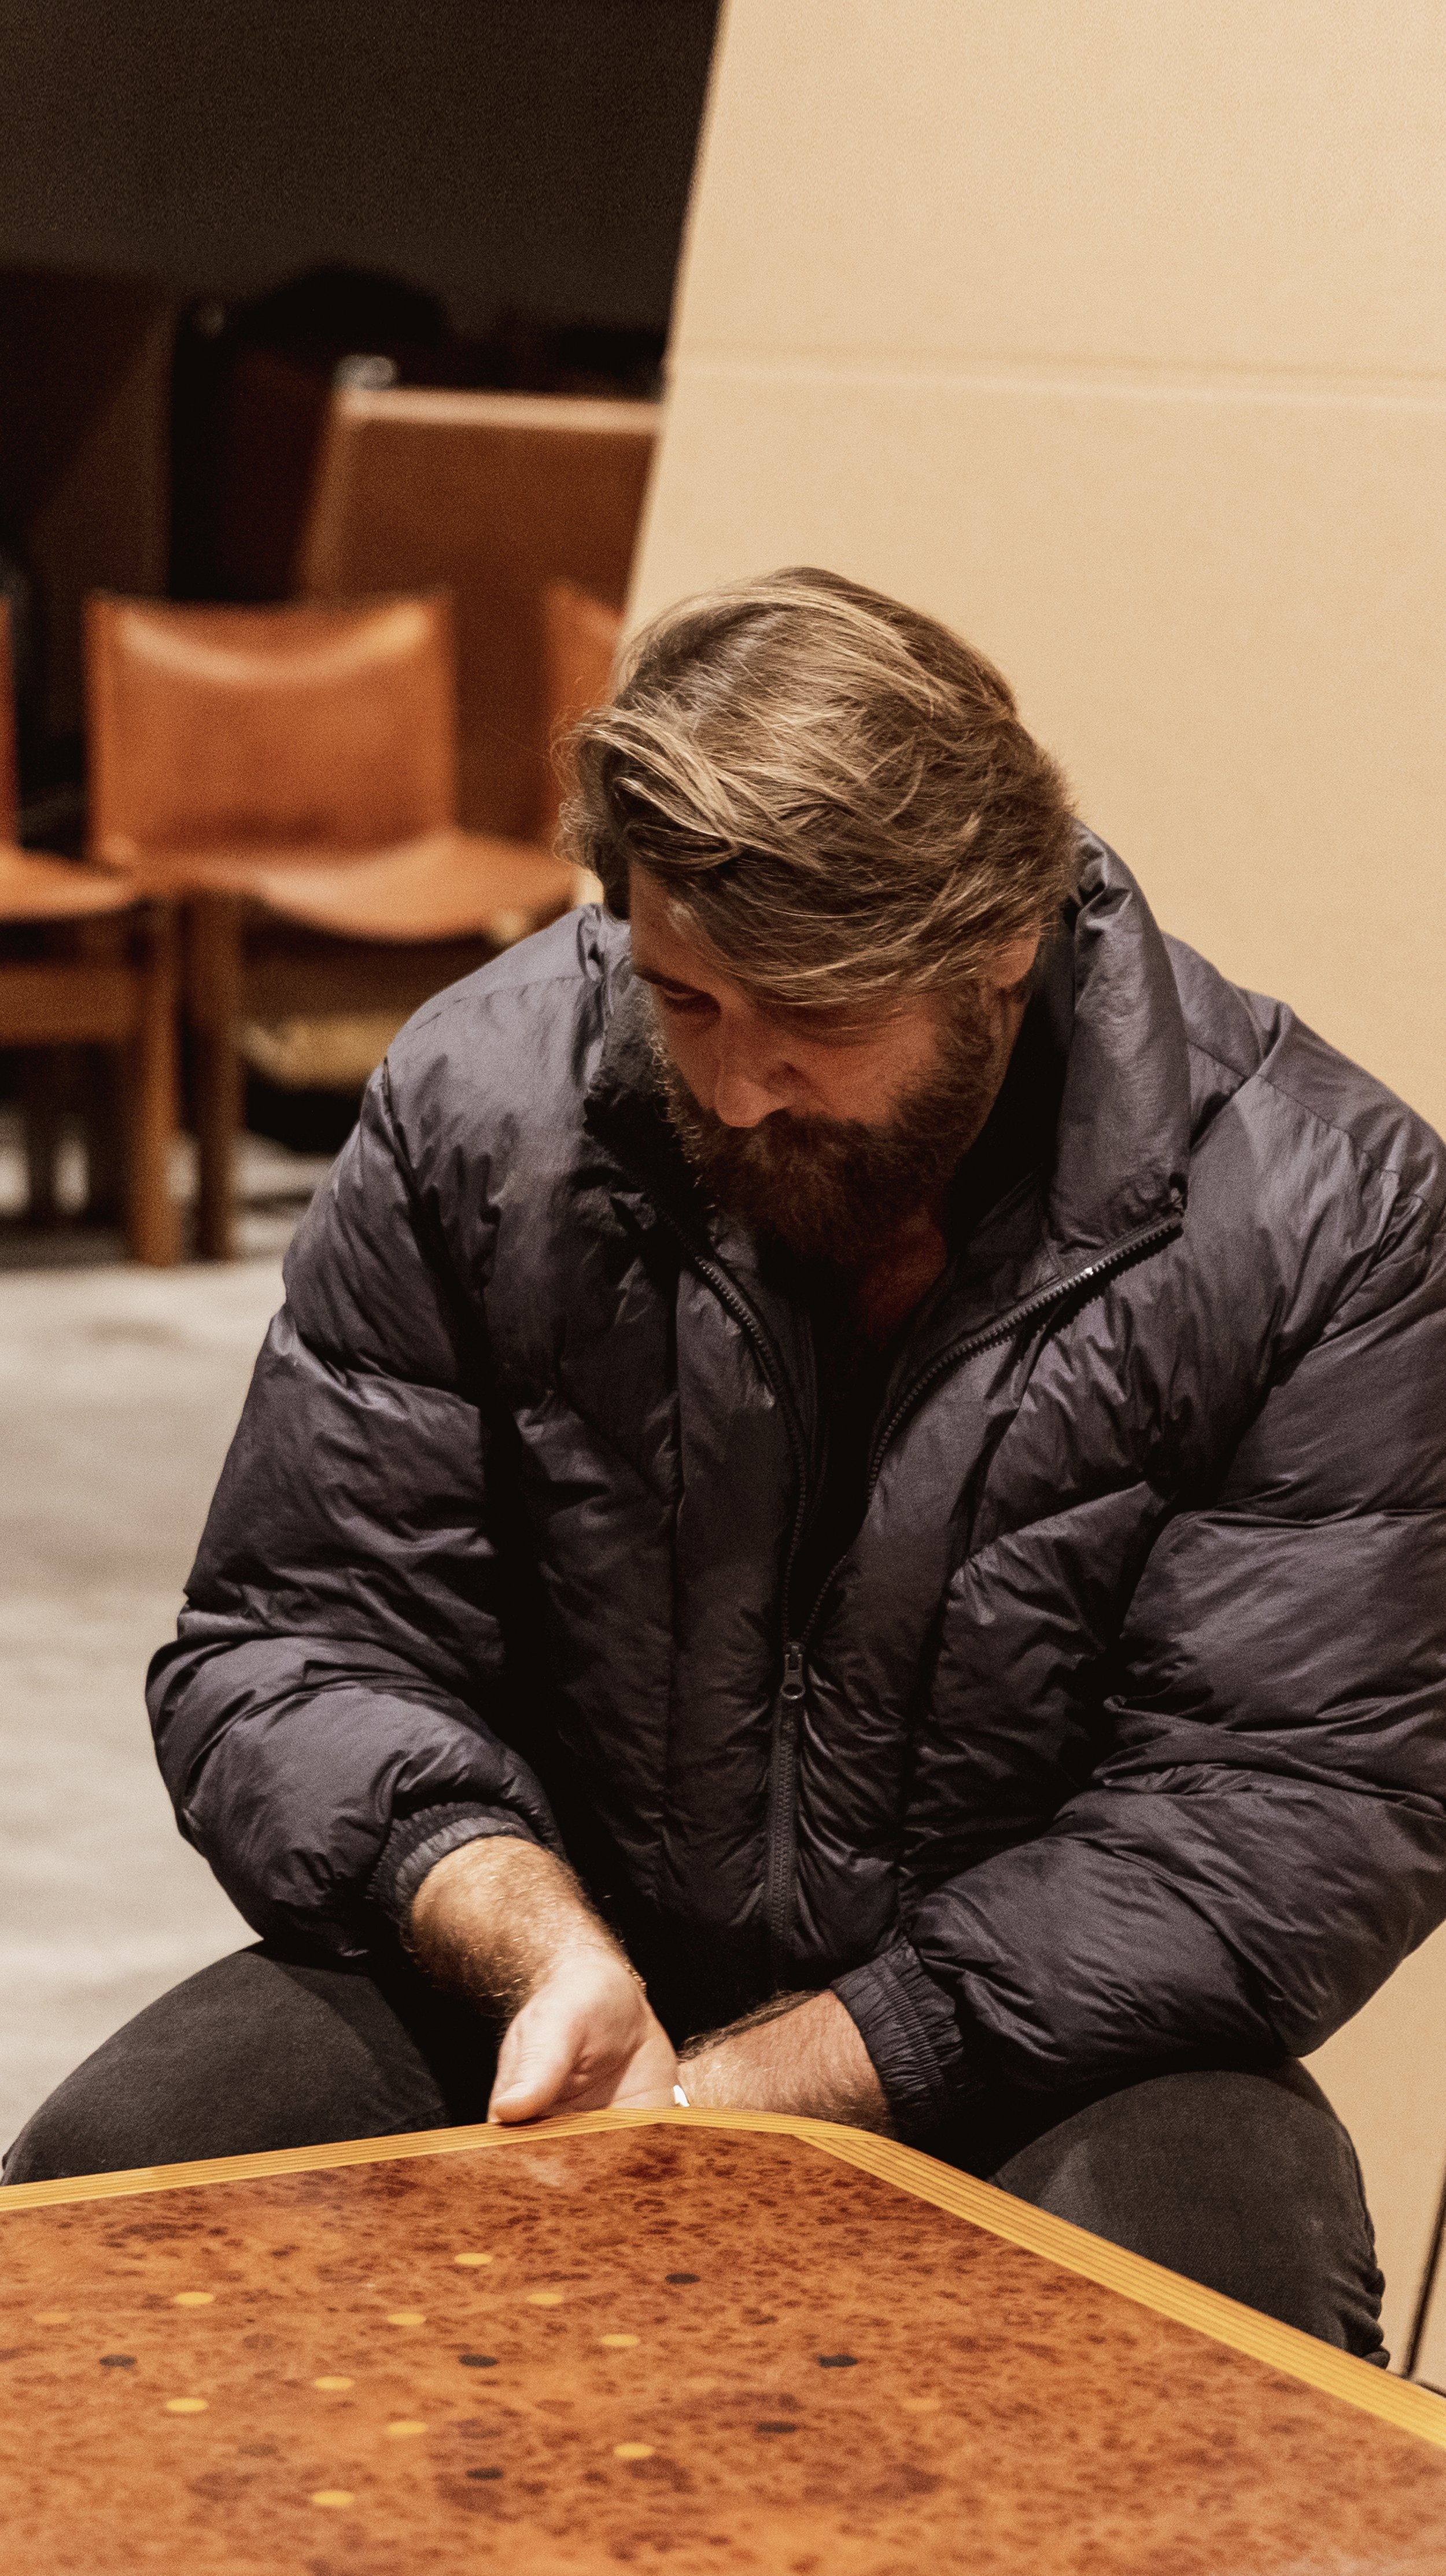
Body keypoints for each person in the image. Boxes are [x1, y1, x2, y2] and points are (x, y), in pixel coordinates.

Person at [9, 570, 1444, 2366]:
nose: (744, 1085)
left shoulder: (1322, 1211)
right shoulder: (488, 1099)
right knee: (103, 2204)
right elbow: (294, 1643)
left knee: (1203, 2312)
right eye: (686, 1000)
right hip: (559, 1968)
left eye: (817, 1027)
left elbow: (1293, 1809)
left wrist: (811, 2064)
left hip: (1022, 2034)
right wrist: (520, 1931)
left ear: (1000, 947)